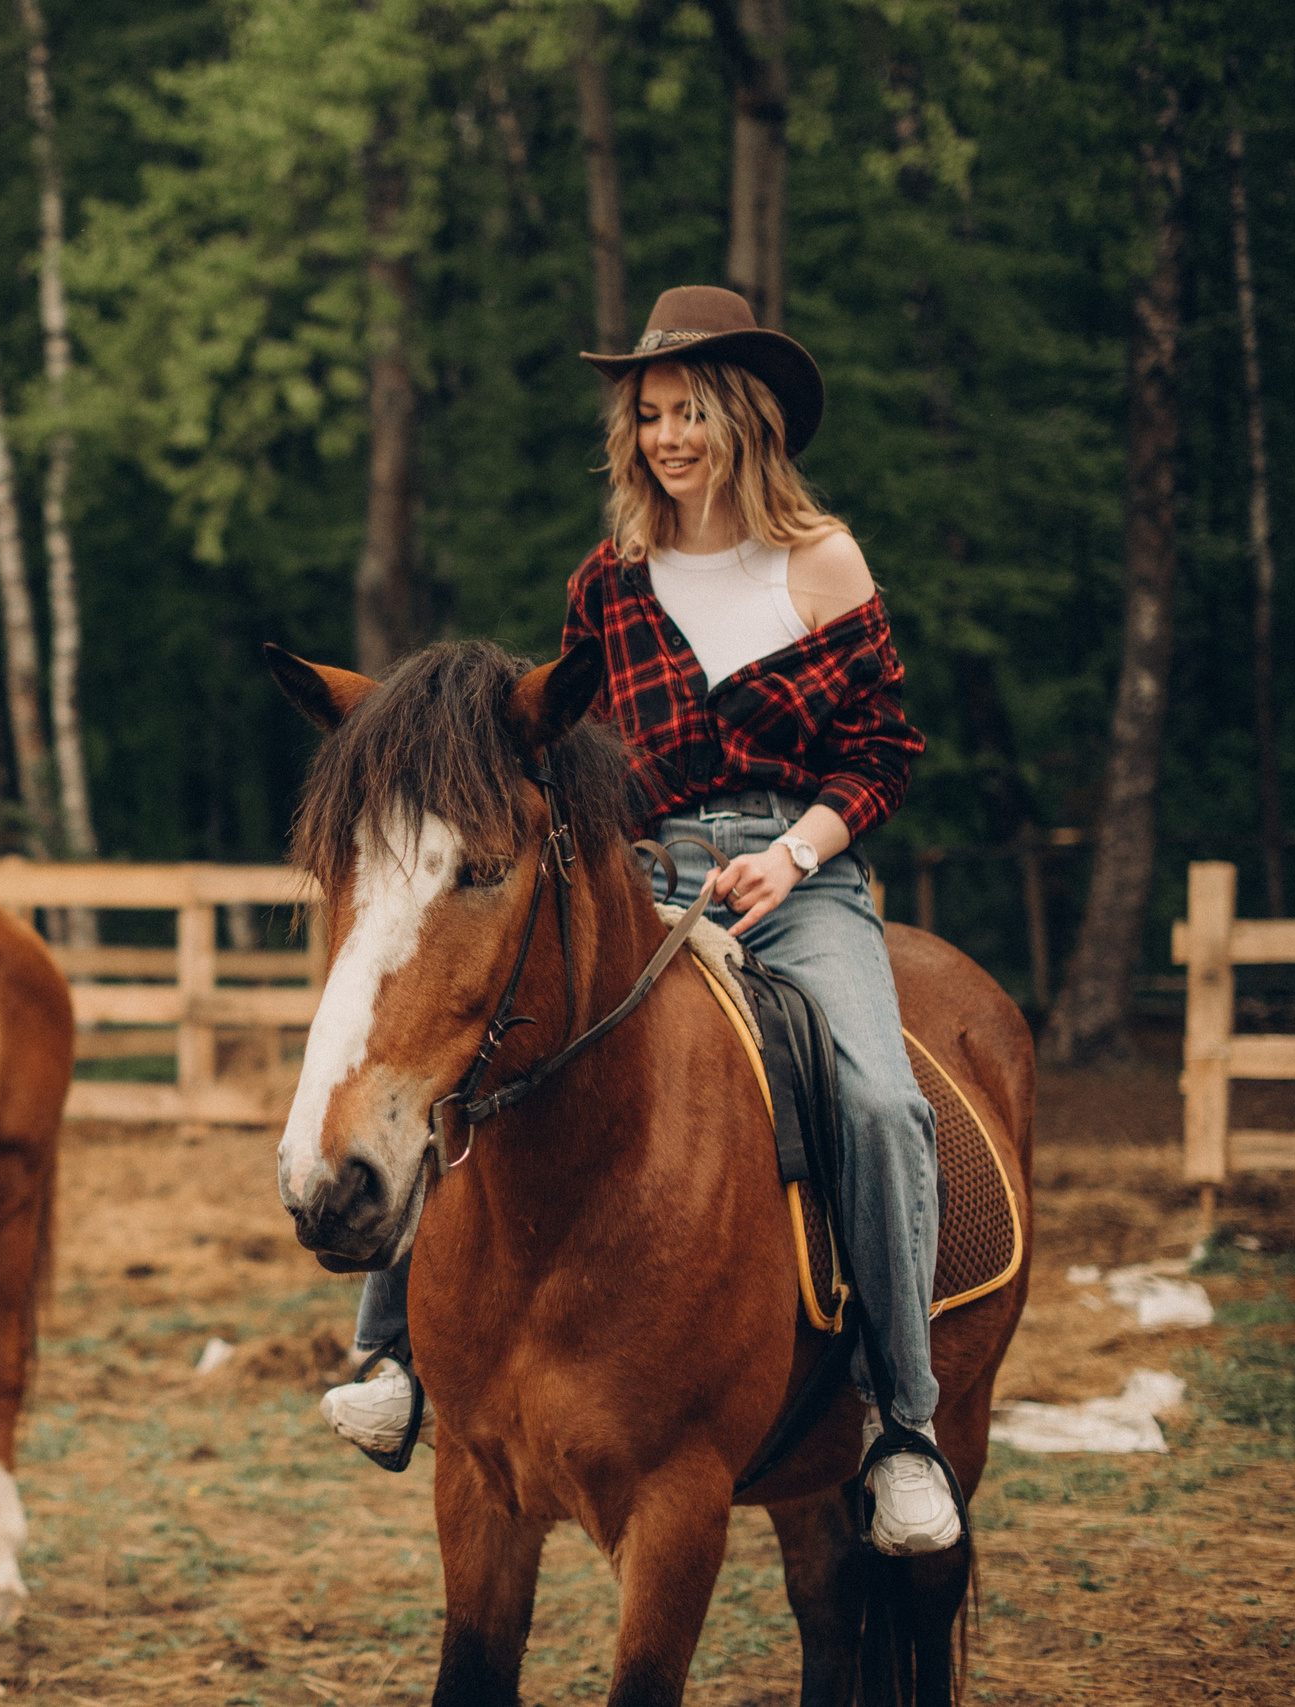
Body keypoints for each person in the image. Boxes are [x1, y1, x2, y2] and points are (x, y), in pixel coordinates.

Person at [318, 286, 961, 1556]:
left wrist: (792, 854)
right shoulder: (607, 581)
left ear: (745, 419)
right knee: (484, 1041)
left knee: (883, 1102)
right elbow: (569, 755)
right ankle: (389, 1356)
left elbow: (884, 751)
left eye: (690, 412)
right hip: (642, 871)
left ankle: (902, 1423)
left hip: (799, 877)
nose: (667, 436)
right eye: (650, 413)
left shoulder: (822, 561)